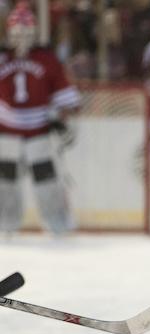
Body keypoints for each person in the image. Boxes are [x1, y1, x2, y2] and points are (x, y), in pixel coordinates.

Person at [0, 1, 81, 235]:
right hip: (7, 133)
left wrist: (62, 118)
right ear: (8, 32)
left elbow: (67, 100)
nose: (22, 38)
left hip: (38, 133)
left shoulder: (46, 59)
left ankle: (58, 224)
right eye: (17, 32)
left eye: (26, 32)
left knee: (46, 181)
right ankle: (5, 226)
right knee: (6, 183)